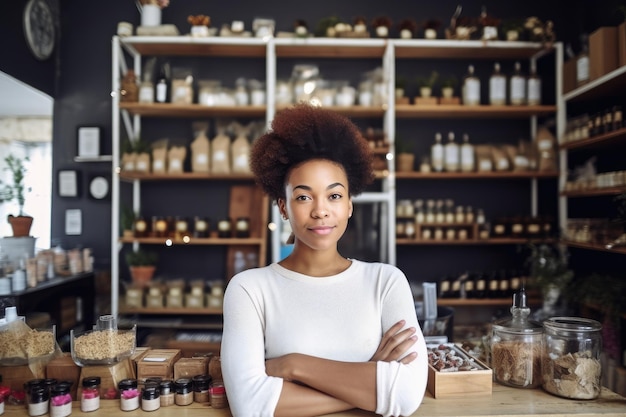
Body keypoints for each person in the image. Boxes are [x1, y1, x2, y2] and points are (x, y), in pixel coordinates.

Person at [221, 104, 428, 417]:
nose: (320, 210)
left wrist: (295, 365)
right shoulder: (250, 289)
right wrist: (370, 377)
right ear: (283, 207)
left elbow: (409, 392)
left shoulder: (386, 282)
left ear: (349, 205)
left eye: (334, 196)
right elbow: (249, 405)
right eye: (304, 197)